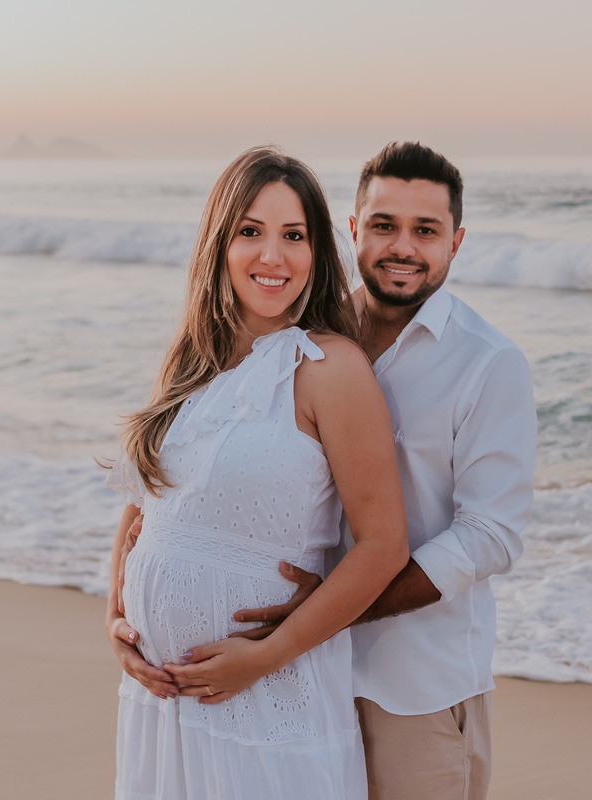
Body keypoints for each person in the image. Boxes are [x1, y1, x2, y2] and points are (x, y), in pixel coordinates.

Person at [116, 142, 537, 800]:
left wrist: (311, 621)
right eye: (384, 225)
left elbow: (490, 534)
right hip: (261, 678)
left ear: (455, 242)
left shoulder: (485, 362)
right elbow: (160, 492)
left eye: (426, 230)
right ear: (352, 230)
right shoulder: (291, 329)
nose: (403, 247)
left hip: (408, 681)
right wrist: (120, 614)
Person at [103, 146, 410, 800]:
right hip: (162, 702)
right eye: (251, 231)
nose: (273, 256)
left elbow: (384, 546)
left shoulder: (329, 368)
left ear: (316, 252)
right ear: (219, 243)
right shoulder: (191, 364)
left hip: (270, 699)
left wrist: (265, 656)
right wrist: (115, 619)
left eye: (294, 235)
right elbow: (143, 504)